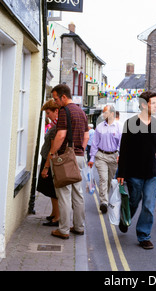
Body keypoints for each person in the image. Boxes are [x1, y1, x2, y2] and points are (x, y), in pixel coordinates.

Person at [117, 91, 156, 250]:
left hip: (151, 173)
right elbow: (124, 150)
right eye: (153, 103)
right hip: (134, 172)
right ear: (144, 105)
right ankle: (125, 219)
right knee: (133, 201)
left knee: (148, 206)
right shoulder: (131, 123)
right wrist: (121, 173)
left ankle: (144, 236)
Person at [49, 84, 89, 240]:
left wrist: (52, 154)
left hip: (65, 157)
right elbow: (86, 136)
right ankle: (79, 227)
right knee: (78, 194)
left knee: (64, 194)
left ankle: (63, 229)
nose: (55, 102)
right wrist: (80, 151)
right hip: (79, 156)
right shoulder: (81, 111)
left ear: (63, 97)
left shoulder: (65, 111)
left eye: (56, 98)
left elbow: (60, 135)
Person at [88, 105, 123, 214]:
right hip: (101, 155)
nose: (103, 115)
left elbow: (121, 144)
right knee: (103, 178)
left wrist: (120, 156)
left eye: (105, 112)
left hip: (113, 156)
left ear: (112, 113)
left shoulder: (119, 126)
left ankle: (105, 198)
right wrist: (91, 158)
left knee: (108, 180)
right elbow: (94, 144)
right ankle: (104, 202)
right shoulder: (99, 127)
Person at [37, 99, 60, 227]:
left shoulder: (56, 127)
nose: (47, 116)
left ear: (55, 111)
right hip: (47, 160)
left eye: (48, 113)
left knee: (53, 191)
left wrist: (46, 167)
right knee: (51, 191)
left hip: (49, 162)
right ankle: (53, 213)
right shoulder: (54, 125)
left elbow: (53, 149)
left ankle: (57, 218)